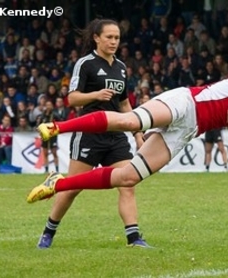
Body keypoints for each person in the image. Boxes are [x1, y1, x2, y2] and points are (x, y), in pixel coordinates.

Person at [26, 60, 228, 205]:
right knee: (132, 121)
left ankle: (59, 182)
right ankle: (57, 127)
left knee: (129, 176)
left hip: (189, 129)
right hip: (184, 102)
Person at [34, 19, 150, 249]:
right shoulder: (85, 64)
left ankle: (134, 238)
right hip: (89, 134)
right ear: (97, 38)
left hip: (116, 135)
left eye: (116, 38)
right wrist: (95, 95)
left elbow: (125, 104)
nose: (114, 42)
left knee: (128, 184)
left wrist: (138, 133)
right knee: (74, 187)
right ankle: (48, 232)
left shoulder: (121, 67)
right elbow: (72, 98)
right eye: (109, 37)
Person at [37, 100, 61, 173]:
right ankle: (46, 169)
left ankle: (57, 170)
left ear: (52, 106)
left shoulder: (55, 115)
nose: (48, 106)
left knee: (54, 153)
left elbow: (59, 123)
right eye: (47, 105)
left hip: (53, 136)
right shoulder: (42, 115)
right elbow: (39, 125)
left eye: (49, 105)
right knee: (45, 153)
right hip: (45, 136)